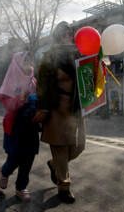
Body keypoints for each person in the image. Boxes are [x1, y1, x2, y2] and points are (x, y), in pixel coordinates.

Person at [33, 21, 86, 204]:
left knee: (80, 145)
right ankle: (64, 187)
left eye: (69, 34)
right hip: (56, 108)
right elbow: (41, 85)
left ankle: (53, 164)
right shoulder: (49, 57)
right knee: (61, 148)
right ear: (57, 36)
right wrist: (44, 107)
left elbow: (88, 81)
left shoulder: (79, 56)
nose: (67, 37)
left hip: (75, 108)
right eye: (63, 34)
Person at [0, 51, 39, 202]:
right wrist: (19, 98)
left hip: (31, 124)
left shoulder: (34, 82)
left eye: (31, 63)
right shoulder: (11, 81)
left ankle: (21, 188)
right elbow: (6, 104)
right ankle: (5, 170)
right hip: (16, 124)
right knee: (15, 157)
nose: (29, 66)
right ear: (18, 64)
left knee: (29, 157)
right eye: (26, 62)